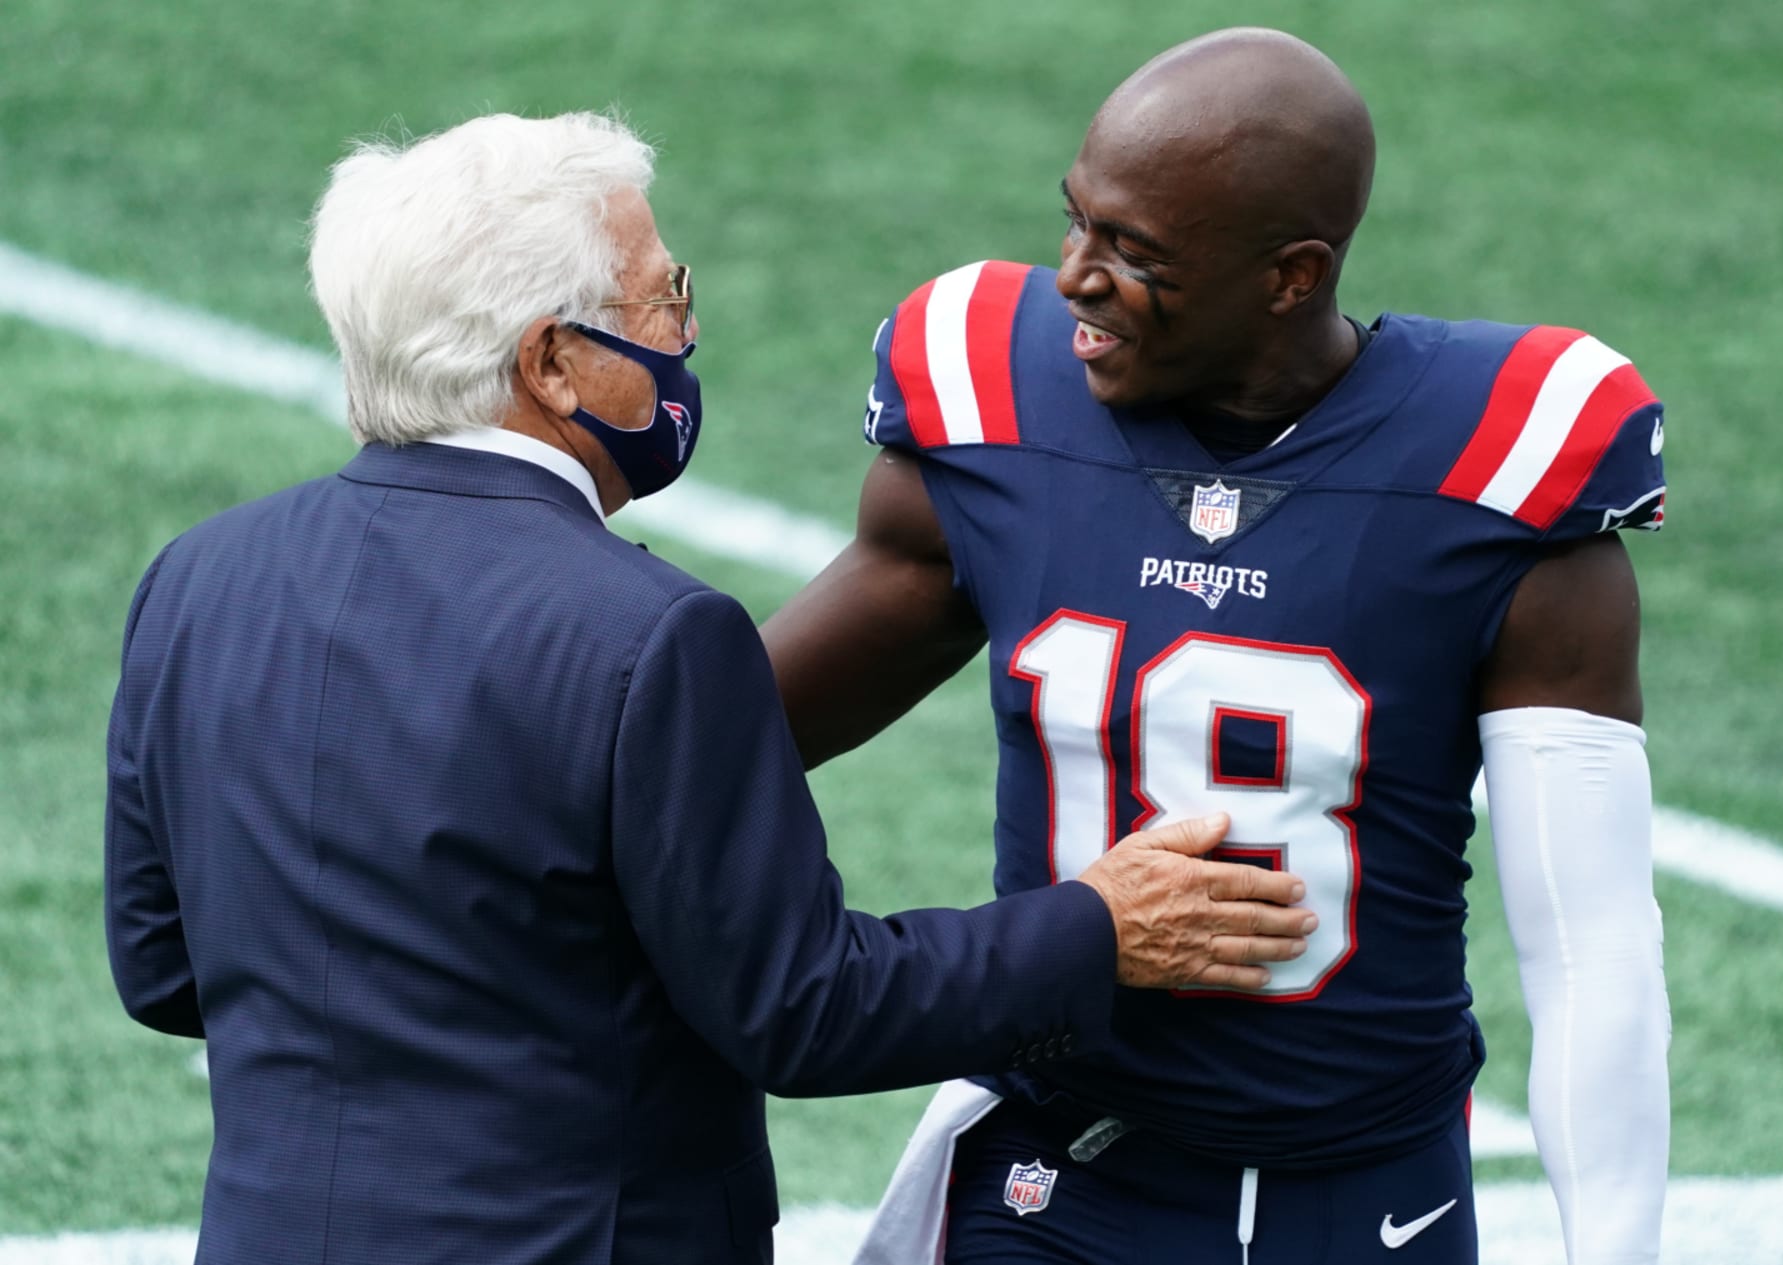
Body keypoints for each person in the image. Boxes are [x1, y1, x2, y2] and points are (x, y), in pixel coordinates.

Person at [103, 111, 1319, 1265]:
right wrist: (1098, 926)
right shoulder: (651, 634)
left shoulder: (198, 577)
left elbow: (163, 968)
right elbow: (804, 1009)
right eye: (662, 297)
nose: (682, 334)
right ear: (553, 362)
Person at [761, 29, 1672, 1265]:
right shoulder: (989, 399)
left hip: (1360, 1199)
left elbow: (1590, 950)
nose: (1075, 276)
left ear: (1291, 274)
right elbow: (723, 740)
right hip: (1056, 1170)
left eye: (1135, 254)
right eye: (1075, 221)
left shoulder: (1503, 463)